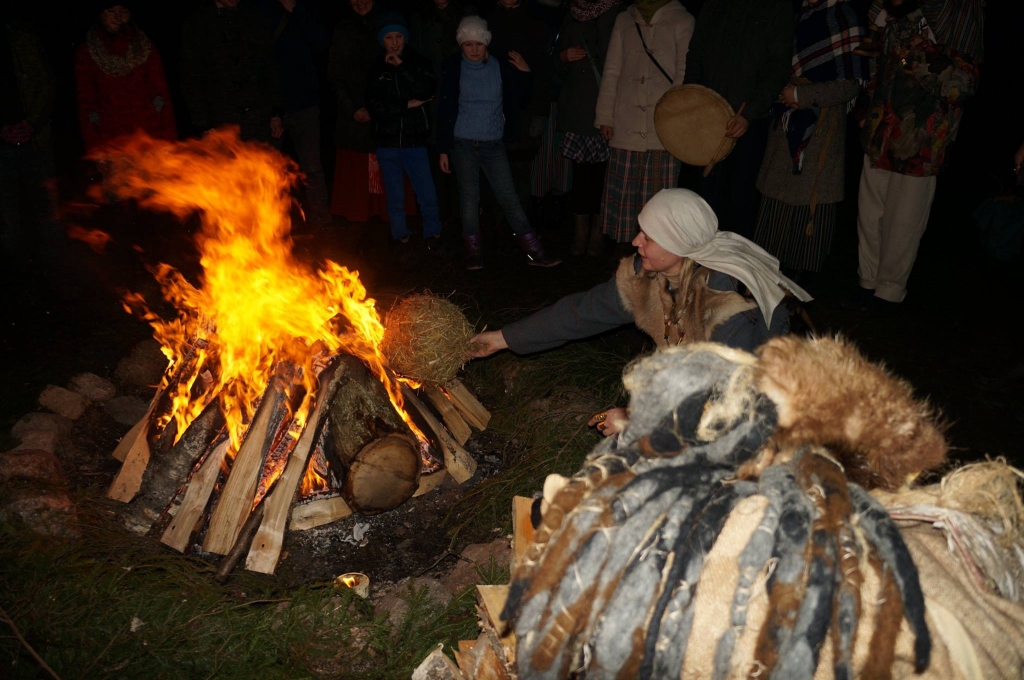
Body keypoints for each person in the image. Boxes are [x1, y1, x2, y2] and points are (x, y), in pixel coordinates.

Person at [469, 188, 810, 435]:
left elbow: (724, 404)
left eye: (649, 236)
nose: (635, 241)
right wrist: (502, 339)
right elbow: (581, 313)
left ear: (679, 243)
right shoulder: (652, 276)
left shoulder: (730, 308)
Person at [853, 0, 983, 308]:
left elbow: (962, 84)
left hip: (921, 140)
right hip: (881, 132)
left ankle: (888, 292)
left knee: (903, 222)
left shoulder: (960, 11)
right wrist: (866, 108)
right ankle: (867, 283)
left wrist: (916, 47)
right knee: (870, 216)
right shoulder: (897, 12)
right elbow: (879, 66)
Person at [753, 0, 868, 281]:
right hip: (785, 127)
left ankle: (795, 296)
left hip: (821, 132)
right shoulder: (798, 14)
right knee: (772, 224)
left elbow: (851, 83)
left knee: (806, 219)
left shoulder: (844, 15)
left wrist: (802, 96)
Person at [437, 16, 561, 270]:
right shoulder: (453, 68)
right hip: (463, 143)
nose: (473, 49)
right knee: (469, 198)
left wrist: (526, 74)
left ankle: (534, 251)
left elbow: (519, 99)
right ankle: (473, 253)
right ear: (461, 44)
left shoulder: (499, 66)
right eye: (468, 44)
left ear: (486, 44)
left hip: (493, 144)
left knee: (509, 197)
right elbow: (444, 109)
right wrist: (442, 148)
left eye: (479, 44)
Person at [683, 0, 794, 238]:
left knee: (740, 199)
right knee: (705, 198)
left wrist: (750, 112)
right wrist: (694, 98)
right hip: (708, 118)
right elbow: (696, 53)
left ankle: (732, 271)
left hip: (749, 122)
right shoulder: (713, 5)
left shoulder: (776, 7)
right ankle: (702, 264)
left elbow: (778, 65)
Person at [594, 0, 694, 244]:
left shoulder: (683, 19)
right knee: (625, 197)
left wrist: (674, 120)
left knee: (658, 197)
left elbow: (683, 74)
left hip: (662, 127)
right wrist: (605, 115)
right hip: (626, 121)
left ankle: (661, 254)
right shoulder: (624, 19)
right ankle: (626, 256)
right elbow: (612, 70)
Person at [328, 0, 416, 224]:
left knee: (390, 162)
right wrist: (352, 108)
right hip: (354, 113)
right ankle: (360, 217)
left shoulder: (388, 24)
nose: (360, 2)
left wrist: (386, 105)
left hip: (387, 111)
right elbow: (335, 75)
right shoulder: (343, 28)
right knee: (357, 167)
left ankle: (392, 217)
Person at [251, 0, 332, 230]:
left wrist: (295, 11)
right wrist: (269, 108)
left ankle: (320, 218)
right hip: (269, 108)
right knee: (270, 170)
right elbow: (255, 57)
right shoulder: (259, 9)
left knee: (312, 167)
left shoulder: (307, 9)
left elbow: (322, 43)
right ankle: (273, 226)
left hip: (304, 104)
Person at [366, 13, 444, 247]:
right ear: (382, 40)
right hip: (387, 141)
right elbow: (375, 105)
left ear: (406, 38)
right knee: (395, 194)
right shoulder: (375, 68)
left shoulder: (419, 62)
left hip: (415, 139)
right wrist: (405, 104)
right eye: (389, 37)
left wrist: (402, 67)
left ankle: (433, 232)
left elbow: (426, 90)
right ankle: (399, 234)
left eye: (399, 36)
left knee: (426, 191)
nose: (395, 42)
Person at [553, 0, 623, 256]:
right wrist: (563, 57)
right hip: (576, 108)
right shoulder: (570, 13)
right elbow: (554, 61)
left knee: (602, 177)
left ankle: (598, 231)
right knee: (581, 176)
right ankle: (580, 232)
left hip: (605, 109)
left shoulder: (617, 13)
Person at [1, 17, 60, 286]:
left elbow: (46, 84)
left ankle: (55, 274)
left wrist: (32, 124)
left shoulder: (23, 34)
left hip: (34, 140)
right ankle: (18, 280)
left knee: (46, 207)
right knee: (8, 215)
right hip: (2, 145)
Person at [74, 3, 176, 152]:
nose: (118, 17)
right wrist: (96, 150)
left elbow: (162, 96)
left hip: (149, 139)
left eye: (123, 11)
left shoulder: (146, 49)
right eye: (111, 11)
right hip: (111, 141)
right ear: (100, 15)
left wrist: (168, 141)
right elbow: (86, 105)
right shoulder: (87, 53)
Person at [410, 0, 476, 227]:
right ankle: (440, 217)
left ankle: (464, 219)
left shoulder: (466, 16)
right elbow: (416, 57)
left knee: (461, 157)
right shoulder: (420, 18)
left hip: (460, 98)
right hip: (431, 99)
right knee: (435, 159)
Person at [180, 0, 283, 144]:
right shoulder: (198, 25)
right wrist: (204, 124)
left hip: (259, 120)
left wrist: (275, 113)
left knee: (266, 164)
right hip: (222, 123)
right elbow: (191, 78)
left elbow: (269, 68)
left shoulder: (253, 19)